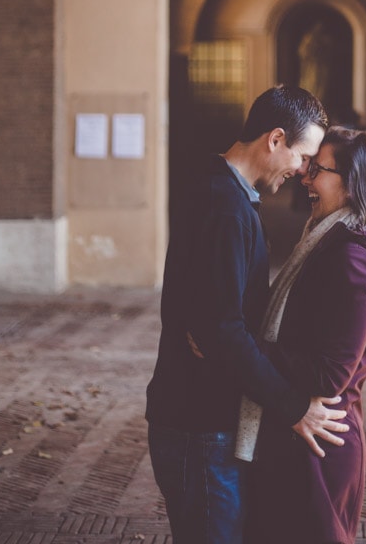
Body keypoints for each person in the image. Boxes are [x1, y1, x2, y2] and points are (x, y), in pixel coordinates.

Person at [145, 85, 349, 544]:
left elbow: (216, 328)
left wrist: (220, 335)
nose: (302, 171)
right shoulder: (226, 207)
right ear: (275, 139)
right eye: (302, 155)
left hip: (202, 417)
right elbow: (221, 331)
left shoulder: (221, 189)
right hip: (197, 422)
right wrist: (295, 407)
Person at [240, 127, 366, 544]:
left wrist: (248, 347)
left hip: (318, 449)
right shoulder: (334, 240)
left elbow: (329, 376)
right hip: (308, 438)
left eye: (318, 169)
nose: (305, 177)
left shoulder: (353, 259)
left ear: (353, 185)